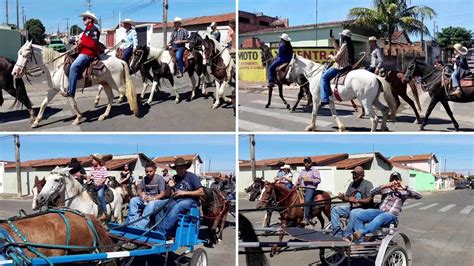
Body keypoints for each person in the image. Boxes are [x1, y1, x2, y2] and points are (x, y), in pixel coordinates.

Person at [350, 172, 422, 242]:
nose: (395, 182)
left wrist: (404, 187)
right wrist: (385, 186)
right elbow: (371, 192)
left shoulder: (403, 192)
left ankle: (362, 232)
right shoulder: (386, 189)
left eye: (397, 180)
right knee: (358, 215)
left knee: (382, 217)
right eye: (393, 180)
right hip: (380, 212)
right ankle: (359, 241)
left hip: (392, 216)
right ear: (390, 181)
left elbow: (419, 196)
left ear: (400, 181)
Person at [156, 157, 205, 237]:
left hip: (191, 202)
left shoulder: (192, 177)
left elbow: (201, 192)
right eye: (177, 169)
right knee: (158, 205)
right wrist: (169, 186)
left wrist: (183, 193)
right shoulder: (175, 178)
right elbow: (167, 195)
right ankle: (158, 228)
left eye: (181, 168)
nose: (179, 171)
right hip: (176, 200)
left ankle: (161, 232)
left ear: (185, 168)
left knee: (178, 206)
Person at [61, 11, 101, 97]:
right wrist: (77, 44)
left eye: (85, 18)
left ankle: (71, 91)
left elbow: (93, 45)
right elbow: (82, 42)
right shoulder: (86, 30)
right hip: (82, 51)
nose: (83, 20)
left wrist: (81, 42)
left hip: (88, 54)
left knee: (73, 67)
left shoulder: (94, 30)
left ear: (90, 19)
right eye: (83, 18)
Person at [330, 166, 374, 238]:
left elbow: (369, 200)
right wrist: (343, 197)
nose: (354, 176)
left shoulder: (368, 184)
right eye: (353, 174)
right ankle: (337, 234)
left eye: (356, 174)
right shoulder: (351, 184)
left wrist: (356, 200)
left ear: (362, 175)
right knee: (334, 209)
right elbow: (347, 198)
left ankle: (347, 235)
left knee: (353, 212)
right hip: (351, 208)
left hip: (363, 209)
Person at [127, 162, 168, 229]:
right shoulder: (145, 179)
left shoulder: (159, 179)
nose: (148, 173)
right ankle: (132, 222)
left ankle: (140, 226)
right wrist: (142, 194)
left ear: (154, 170)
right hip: (146, 199)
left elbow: (162, 194)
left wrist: (153, 198)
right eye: (146, 171)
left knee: (151, 204)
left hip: (156, 200)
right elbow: (140, 192)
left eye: (150, 171)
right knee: (133, 200)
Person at [320, 29, 355, 105]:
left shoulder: (344, 45)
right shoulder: (349, 45)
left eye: (341, 35)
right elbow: (338, 50)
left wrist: (330, 56)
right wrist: (333, 39)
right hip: (347, 66)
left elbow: (336, 58)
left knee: (324, 77)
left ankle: (324, 98)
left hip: (339, 67)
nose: (341, 37)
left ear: (344, 36)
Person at [297, 157, 321, 225]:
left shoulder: (314, 170)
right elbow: (299, 179)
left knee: (307, 201)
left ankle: (307, 218)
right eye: (305, 162)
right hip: (301, 188)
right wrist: (297, 183)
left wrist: (310, 180)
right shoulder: (302, 171)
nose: (306, 164)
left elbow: (318, 180)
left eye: (308, 162)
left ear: (311, 163)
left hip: (310, 188)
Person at [88, 154, 109, 221]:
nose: (92, 161)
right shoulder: (92, 168)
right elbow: (90, 176)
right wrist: (89, 179)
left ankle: (105, 212)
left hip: (100, 186)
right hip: (93, 185)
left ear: (97, 161)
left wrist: (99, 183)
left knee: (100, 195)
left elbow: (104, 178)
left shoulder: (103, 168)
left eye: (93, 160)